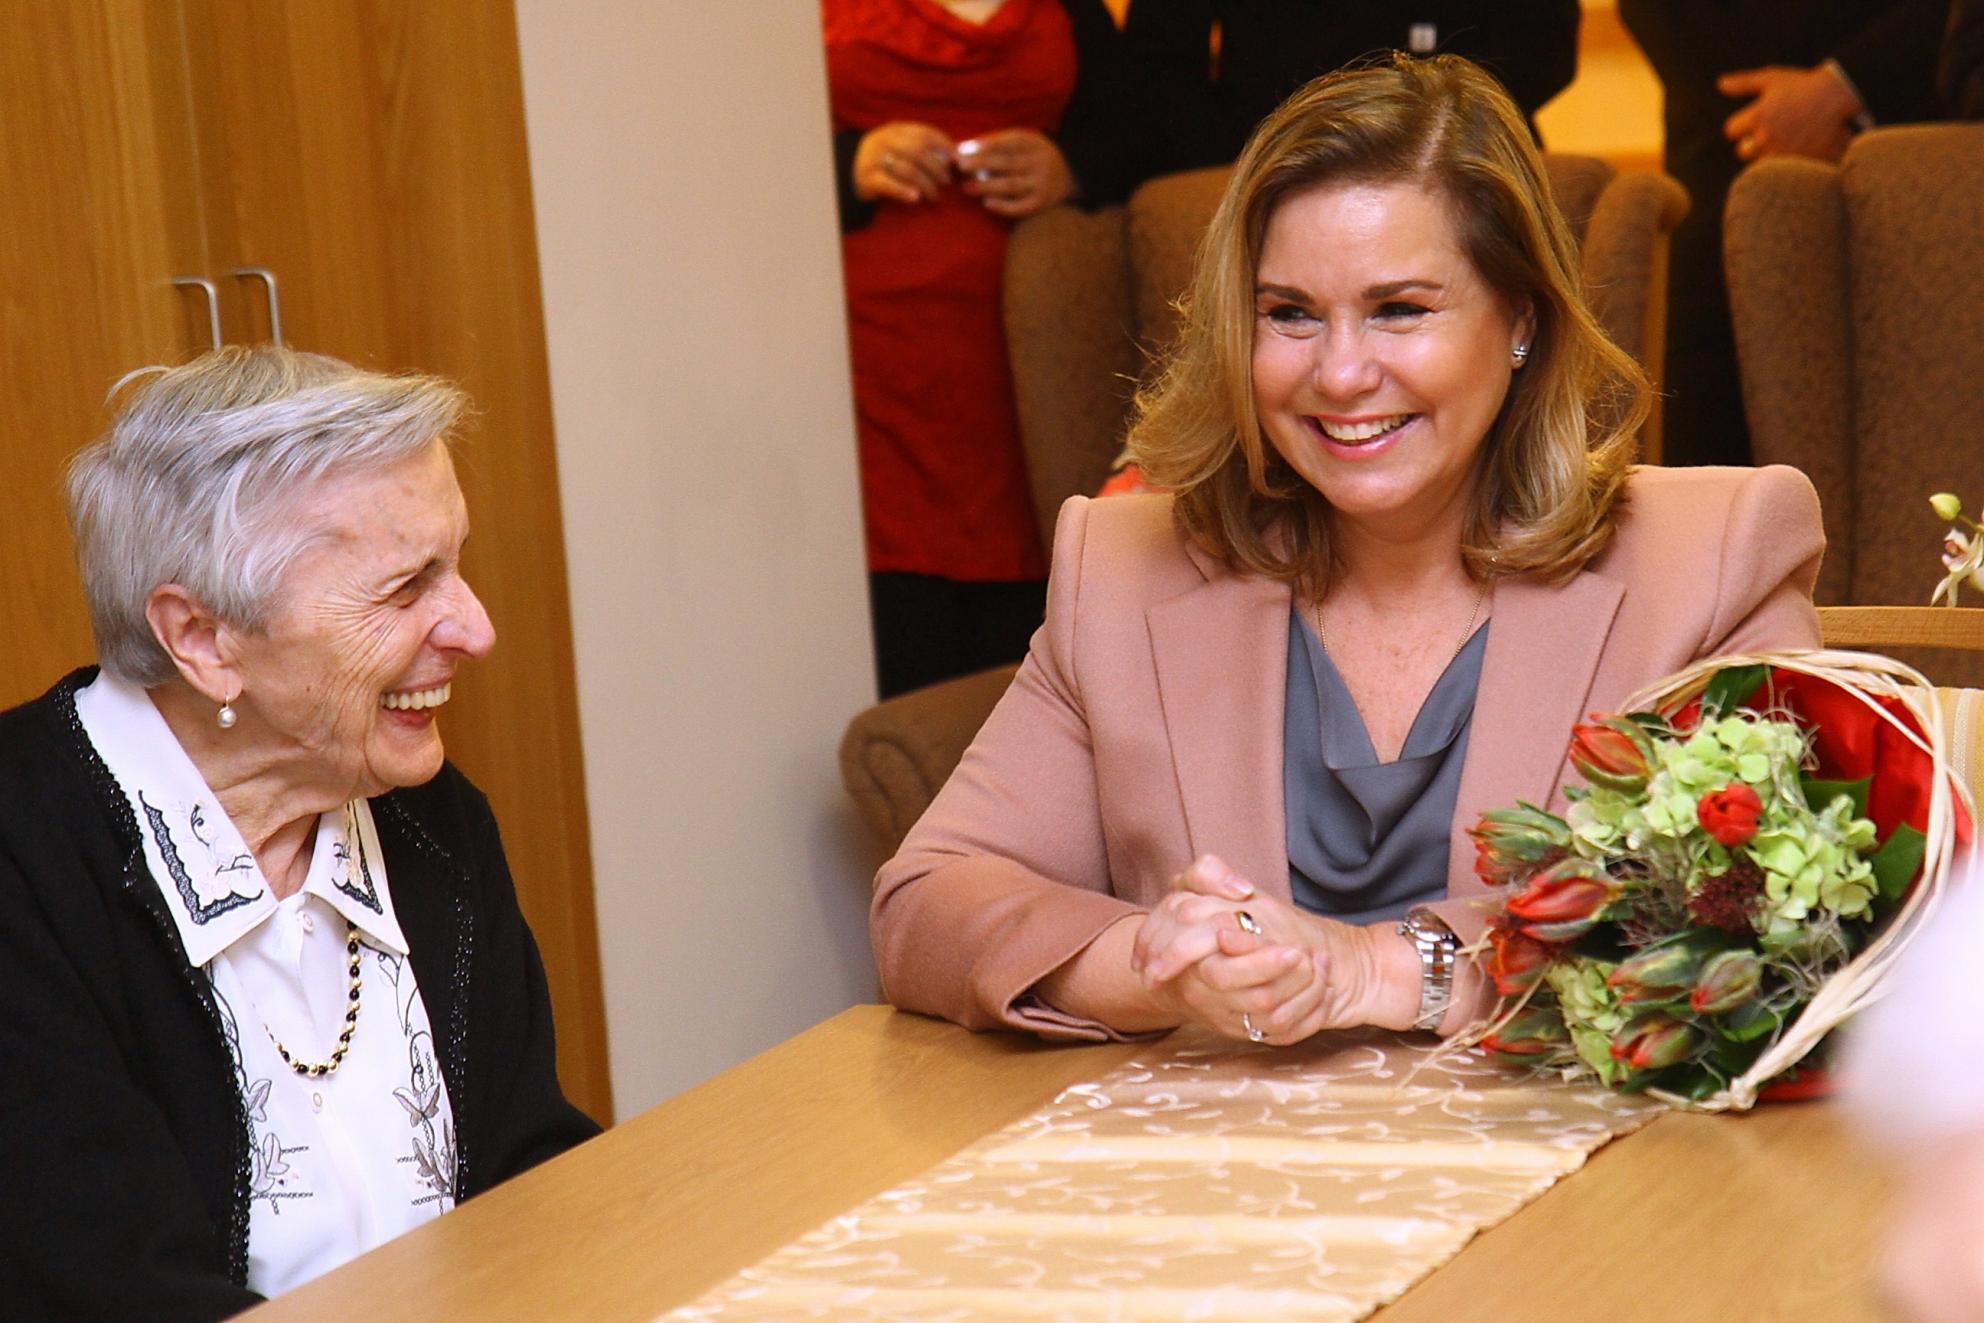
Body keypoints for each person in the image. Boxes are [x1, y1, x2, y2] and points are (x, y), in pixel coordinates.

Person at [871, 55, 1824, 1048]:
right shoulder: (1119, 567)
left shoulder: (1712, 557)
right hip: (1228, 1145)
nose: (1338, 374)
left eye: (1398, 309)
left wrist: (1378, 968)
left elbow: (1783, 922)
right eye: (1288, 313)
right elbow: (928, 900)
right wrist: (1156, 964)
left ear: (1521, 320)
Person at [0, 346, 600, 1318]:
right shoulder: (26, 867)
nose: (475, 628)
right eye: (405, 589)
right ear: (202, 639)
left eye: (455, 564)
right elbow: (109, 1291)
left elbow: (529, 1177)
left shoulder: (430, 819)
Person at [825, 0, 1130, 698]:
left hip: (1040, 352)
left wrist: (1072, 168)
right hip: (867, 348)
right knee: (893, 628)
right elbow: (724, 146)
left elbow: (1148, 129)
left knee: (1042, 628)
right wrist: (848, 162)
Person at [1616, 0, 1948, 467]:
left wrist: (1849, 84)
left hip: (1928, 175)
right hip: (1724, 182)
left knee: (1933, 455)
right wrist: (1776, 110)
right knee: (1718, 470)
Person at [1121, 1, 1582, 185]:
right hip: (1262, 167)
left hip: (1465, 159)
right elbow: (1159, 59)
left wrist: (1435, 135)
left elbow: (1545, 47)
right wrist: (1247, 171)